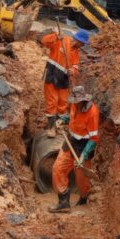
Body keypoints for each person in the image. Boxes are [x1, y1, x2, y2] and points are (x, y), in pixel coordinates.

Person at [49, 85, 100, 213]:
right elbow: (71, 117)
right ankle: (64, 202)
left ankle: (84, 199)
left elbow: (93, 139)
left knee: (81, 180)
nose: (75, 104)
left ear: (83, 100)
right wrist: (62, 120)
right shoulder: (74, 105)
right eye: (74, 102)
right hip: (70, 142)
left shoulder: (92, 113)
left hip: (83, 146)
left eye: (77, 102)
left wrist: (83, 156)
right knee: (58, 168)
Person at [41, 29, 89, 137]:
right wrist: (55, 36)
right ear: (78, 40)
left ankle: (58, 125)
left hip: (64, 79)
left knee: (62, 104)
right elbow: (44, 41)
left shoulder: (76, 52)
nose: (83, 45)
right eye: (82, 43)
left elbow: (76, 66)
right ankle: (51, 127)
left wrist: (72, 70)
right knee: (52, 102)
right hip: (52, 75)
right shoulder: (62, 40)